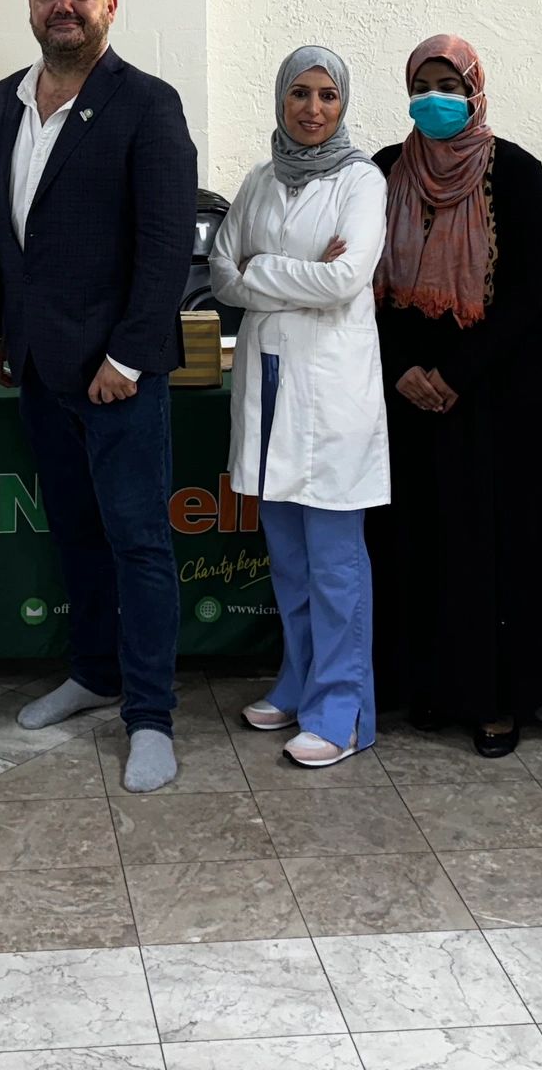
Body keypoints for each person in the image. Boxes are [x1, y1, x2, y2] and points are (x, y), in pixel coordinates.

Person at [0, 0, 198, 795]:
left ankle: (150, 716)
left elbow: (166, 245)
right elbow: (9, 231)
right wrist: (3, 329)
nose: (63, 5)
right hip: (40, 367)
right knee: (75, 533)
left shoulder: (147, 103)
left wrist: (128, 356)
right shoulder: (7, 99)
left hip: (117, 376)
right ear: (31, 6)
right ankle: (93, 673)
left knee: (138, 544)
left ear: (112, 6)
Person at [366, 34, 542, 760]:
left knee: (492, 543)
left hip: (498, 390)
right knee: (418, 537)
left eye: (449, 85)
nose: (435, 98)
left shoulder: (515, 171)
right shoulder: (384, 171)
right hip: (406, 392)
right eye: (422, 85)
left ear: (475, 91)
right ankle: (428, 683)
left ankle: (495, 696)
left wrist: (457, 372)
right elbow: (365, 283)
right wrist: (402, 367)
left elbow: (528, 288)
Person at [208, 47, 387, 769]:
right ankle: (299, 680)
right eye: (300, 94)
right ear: (281, 99)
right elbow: (221, 275)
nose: (313, 109)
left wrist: (264, 269)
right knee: (287, 558)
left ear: (343, 105)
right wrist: (295, 274)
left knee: (335, 564)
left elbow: (346, 280)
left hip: (331, 393)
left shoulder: (362, 180)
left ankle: (344, 711)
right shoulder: (258, 181)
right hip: (269, 385)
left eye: (327, 96)